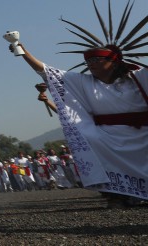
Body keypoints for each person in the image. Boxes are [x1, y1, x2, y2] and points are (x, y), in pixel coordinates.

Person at [15, 33, 148, 207]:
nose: (91, 64)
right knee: (90, 139)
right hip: (107, 136)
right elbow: (46, 71)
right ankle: (117, 195)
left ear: (114, 62)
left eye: (96, 60)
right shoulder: (84, 82)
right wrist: (23, 52)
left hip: (143, 132)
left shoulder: (137, 77)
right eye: (88, 61)